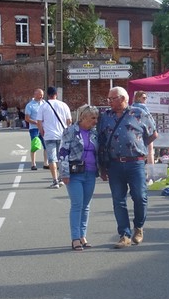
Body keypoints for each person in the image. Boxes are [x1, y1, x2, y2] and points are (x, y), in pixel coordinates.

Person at [98, 87, 158, 249]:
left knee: (139, 196)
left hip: (135, 162)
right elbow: (102, 141)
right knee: (118, 200)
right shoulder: (105, 117)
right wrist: (102, 167)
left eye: (113, 98)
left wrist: (138, 145)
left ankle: (138, 227)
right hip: (114, 164)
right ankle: (124, 234)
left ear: (123, 98)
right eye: (108, 99)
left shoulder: (139, 113)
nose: (109, 102)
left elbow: (153, 134)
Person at [58, 105, 100, 251]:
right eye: (92, 118)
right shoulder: (70, 131)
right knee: (77, 204)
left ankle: (83, 236)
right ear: (83, 117)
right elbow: (63, 152)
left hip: (90, 173)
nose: (95, 121)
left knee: (86, 206)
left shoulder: (95, 133)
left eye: (96, 118)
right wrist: (64, 173)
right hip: (75, 173)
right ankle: (75, 238)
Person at [38, 86, 72, 188]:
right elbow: (69, 121)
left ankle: (55, 180)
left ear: (47, 95)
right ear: (56, 94)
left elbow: (39, 122)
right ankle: (61, 178)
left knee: (52, 159)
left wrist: (42, 132)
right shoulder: (64, 105)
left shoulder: (43, 106)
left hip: (49, 135)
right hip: (62, 135)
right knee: (61, 158)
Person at [131, 90, 155, 183]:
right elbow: (150, 121)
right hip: (146, 133)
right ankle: (151, 176)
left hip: (135, 133)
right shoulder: (143, 107)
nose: (145, 100)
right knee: (150, 153)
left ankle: (137, 176)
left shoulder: (131, 106)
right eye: (144, 98)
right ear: (138, 98)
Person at [24, 88, 48, 170]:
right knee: (35, 146)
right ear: (35, 94)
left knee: (46, 146)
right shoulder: (30, 105)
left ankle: (46, 163)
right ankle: (33, 164)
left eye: (42, 94)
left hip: (44, 128)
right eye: (40, 94)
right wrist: (36, 123)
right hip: (34, 128)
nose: (41, 96)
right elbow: (27, 118)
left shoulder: (44, 103)